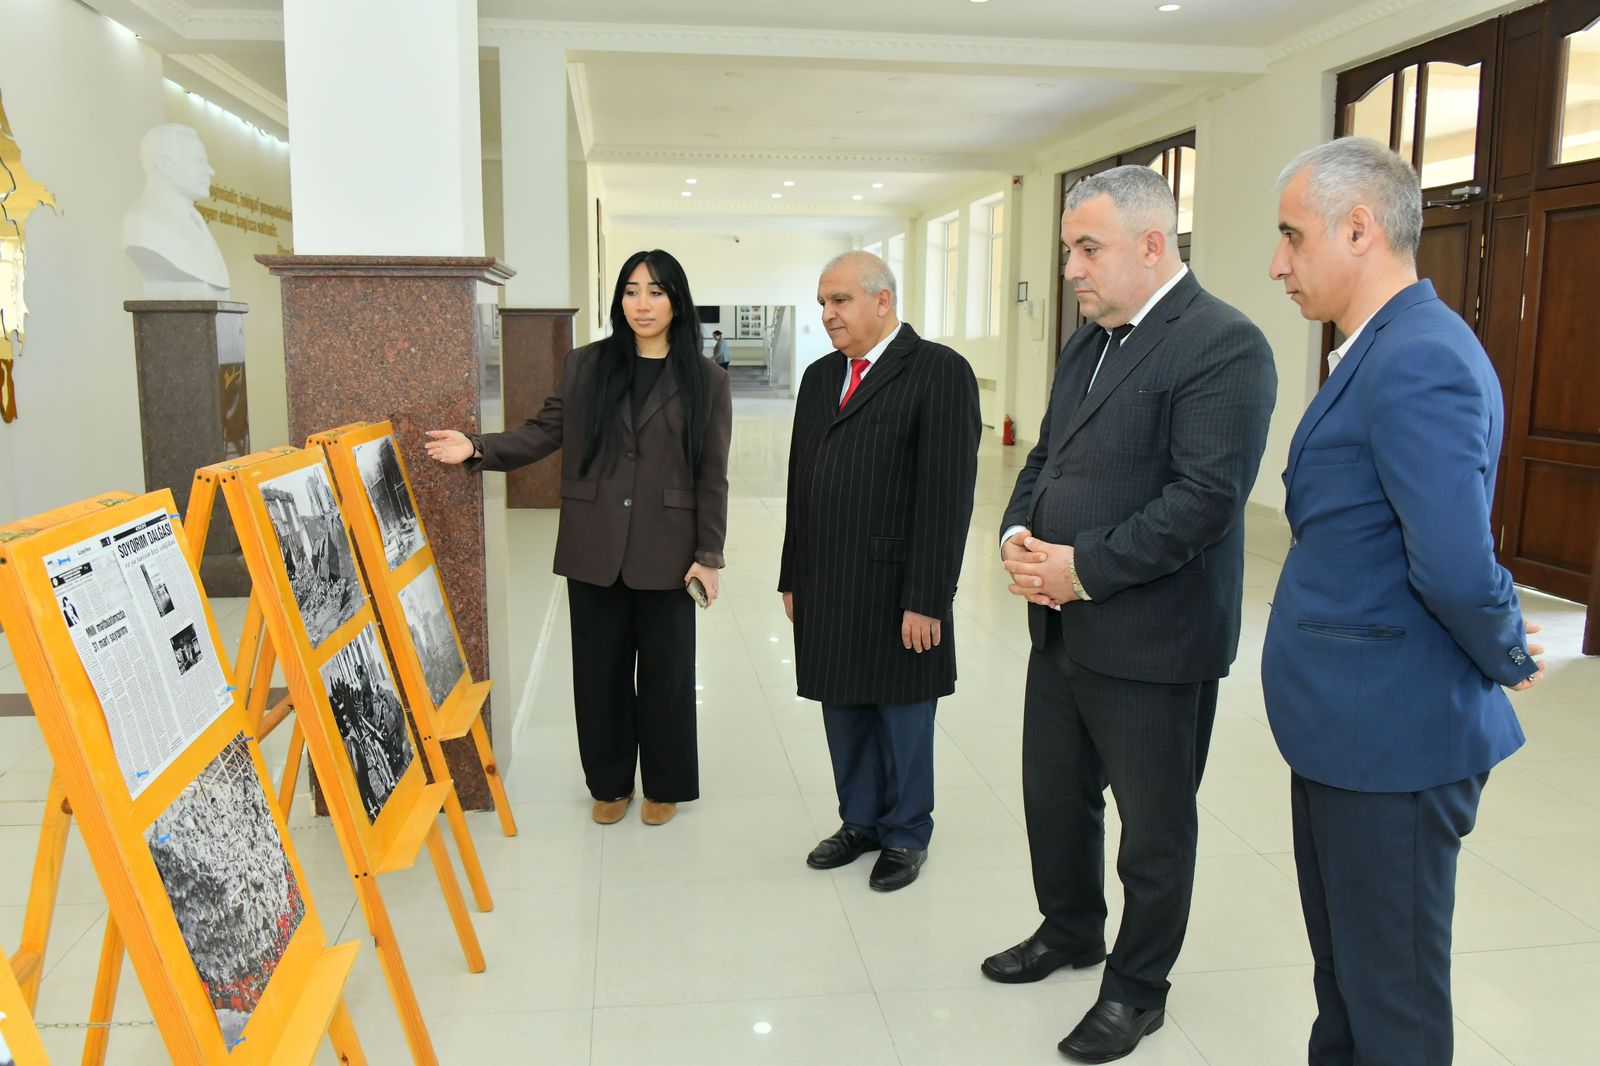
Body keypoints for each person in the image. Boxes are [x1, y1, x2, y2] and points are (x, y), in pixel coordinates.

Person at [1264, 136, 1544, 1066]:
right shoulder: (1379, 347)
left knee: (1394, 1002)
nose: (1278, 265)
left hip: (1393, 737)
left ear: (1359, 228)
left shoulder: (1421, 356)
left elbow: (1455, 563)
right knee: (1347, 981)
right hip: (1347, 728)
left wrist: (1508, 649)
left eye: (1292, 237)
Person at [988, 165, 1276, 1063]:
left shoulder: (1223, 343)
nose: (1070, 269)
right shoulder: (1091, 341)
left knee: (1153, 832)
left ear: (1154, 245)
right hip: (1061, 628)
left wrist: (1080, 569)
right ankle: (1071, 928)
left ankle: (1137, 988)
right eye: (1067, 249)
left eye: (1087, 249)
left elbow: (1203, 502)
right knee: (1054, 799)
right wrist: (1016, 534)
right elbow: (1046, 456)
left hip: (1155, 639)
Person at [425, 249, 731, 828]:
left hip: (669, 547)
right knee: (598, 671)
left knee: (667, 673)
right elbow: (544, 431)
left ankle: (665, 784)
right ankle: (610, 783)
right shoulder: (587, 365)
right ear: (619, 299)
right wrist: (478, 447)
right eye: (632, 291)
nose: (642, 304)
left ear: (677, 301)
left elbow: (712, 472)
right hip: (594, 543)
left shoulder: (706, 378)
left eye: (656, 292)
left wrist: (708, 555)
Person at [780, 250, 979, 893]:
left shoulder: (939, 372)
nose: (828, 314)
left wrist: (928, 596)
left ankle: (906, 832)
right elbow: (801, 481)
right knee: (842, 706)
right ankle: (860, 821)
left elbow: (947, 496)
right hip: (827, 577)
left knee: (902, 713)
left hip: (898, 583)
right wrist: (792, 573)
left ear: (883, 300)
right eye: (823, 302)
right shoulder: (820, 377)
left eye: (840, 300)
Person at [121, 124, 230, 300]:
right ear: (164, 164)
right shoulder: (142, 223)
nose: (210, 171)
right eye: (199, 161)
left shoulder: (195, 220)